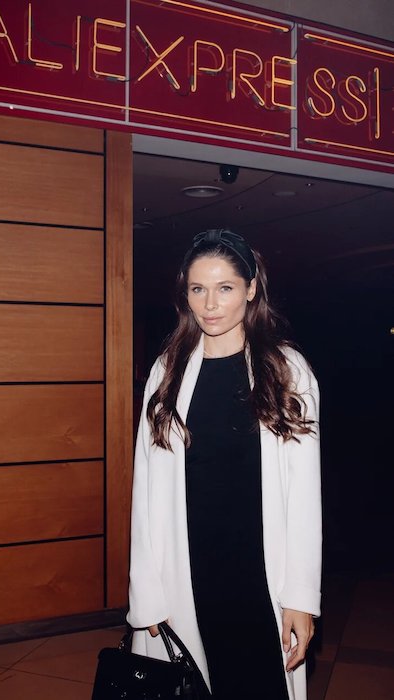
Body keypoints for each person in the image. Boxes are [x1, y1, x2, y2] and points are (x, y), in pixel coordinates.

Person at [127, 228, 322, 700]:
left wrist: (300, 597)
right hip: (186, 568)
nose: (210, 304)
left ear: (251, 289)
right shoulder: (167, 369)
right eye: (198, 289)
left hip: (259, 571)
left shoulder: (285, 369)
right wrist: (146, 592)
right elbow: (145, 489)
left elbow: (304, 494)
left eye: (225, 288)